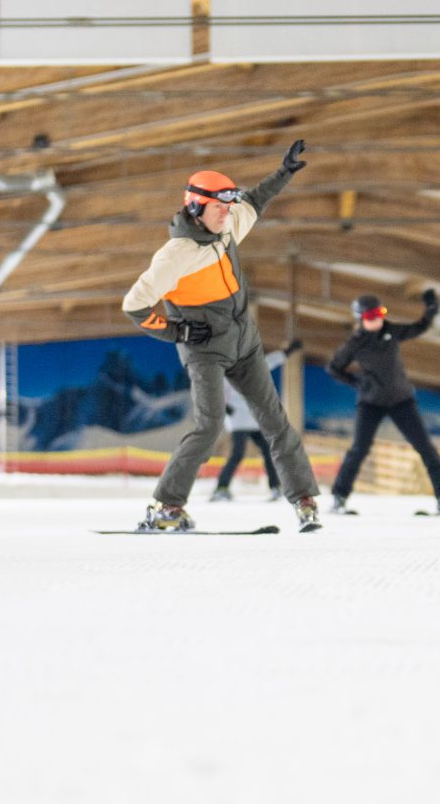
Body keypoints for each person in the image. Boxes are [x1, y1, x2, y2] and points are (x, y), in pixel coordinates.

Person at [120, 139, 324, 532]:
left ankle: (305, 500)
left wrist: (283, 172)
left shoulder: (228, 228)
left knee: (275, 421)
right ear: (195, 207)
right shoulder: (174, 255)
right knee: (210, 427)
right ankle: (167, 508)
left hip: (244, 343)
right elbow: (134, 305)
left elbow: (256, 201)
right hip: (205, 350)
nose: (227, 214)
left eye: (228, 208)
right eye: (218, 207)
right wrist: (176, 330)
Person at [327, 291, 440, 514]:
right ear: (360, 319)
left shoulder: (391, 331)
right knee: (359, 450)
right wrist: (358, 383)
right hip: (371, 403)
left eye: (380, 313)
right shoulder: (355, 343)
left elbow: (418, 328)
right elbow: (334, 368)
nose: (377, 319)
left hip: (401, 401)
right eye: (371, 317)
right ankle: (339, 497)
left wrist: (430, 311)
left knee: (425, 447)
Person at [208, 350, 286, 502]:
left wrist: (286, 352)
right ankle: (221, 488)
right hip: (238, 420)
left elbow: (269, 362)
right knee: (238, 453)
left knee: (268, 450)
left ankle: (275, 487)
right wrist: (224, 407)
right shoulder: (225, 373)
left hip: (253, 419)